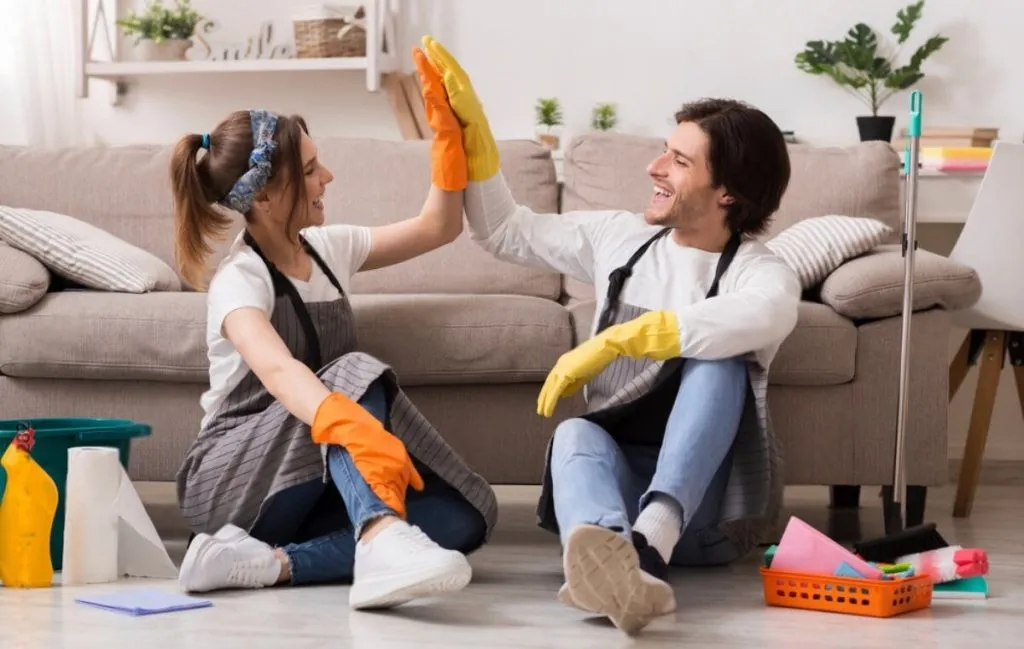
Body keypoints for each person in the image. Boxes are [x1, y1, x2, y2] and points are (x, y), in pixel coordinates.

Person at [419, 36, 801, 634]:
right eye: (664, 151)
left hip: (708, 515)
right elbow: (505, 232)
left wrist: (620, 340)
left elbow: (765, 316)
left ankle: (649, 546)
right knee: (575, 433)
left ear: (728, 192)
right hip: (617, 499)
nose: (654, 167)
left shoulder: (760, 272)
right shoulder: (620, 239)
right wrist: (474, 134)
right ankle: (610, 562)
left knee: (720, 361)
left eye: (679, 161)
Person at [170, 46, 497, 610]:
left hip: (307, 477)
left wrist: (448, 135)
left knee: (466, 515)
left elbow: (438, 227)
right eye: (310, 170)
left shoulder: (328, 248)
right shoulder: (240, 279)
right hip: (230, 482)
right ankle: (379, 532)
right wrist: (348, 421)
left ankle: (269, 564)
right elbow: (277, 368)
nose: (328, 177)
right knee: (351, 370)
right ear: (264, 196)